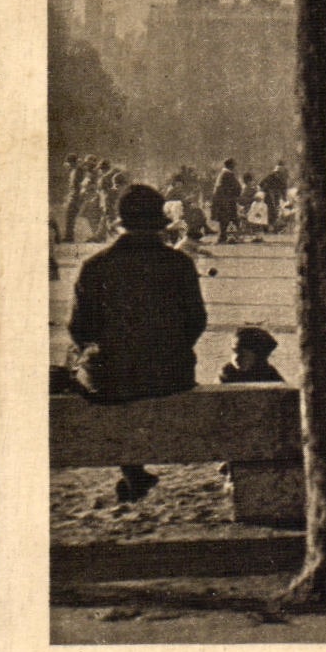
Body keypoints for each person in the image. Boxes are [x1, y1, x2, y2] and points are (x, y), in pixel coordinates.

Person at [67, 184, 208, 502]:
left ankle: (132, 470)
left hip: (114, 379)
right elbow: (197, 321)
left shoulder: (95, 266)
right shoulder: (179, 264)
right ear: (159, 224)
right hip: (172, 374)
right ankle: (134, 472)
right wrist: (171, 347)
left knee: (90, 377)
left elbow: (79, 329)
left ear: (121, 222)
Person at [219, 326, 285, 383]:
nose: (236, 358)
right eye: (234, 352)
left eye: (243, 354)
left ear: (258, 356)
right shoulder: (228, 372)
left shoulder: (269, 374)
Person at [212, 158, 242, 244]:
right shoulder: (228, 174)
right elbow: (237, 187)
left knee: (224, 219)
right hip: (226, 200)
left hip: (222, 200)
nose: (235, 167)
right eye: (234, 165)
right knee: (228, 218)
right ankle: (230, 236)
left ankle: (224, 237)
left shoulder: (222, 174)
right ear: (231, 165)